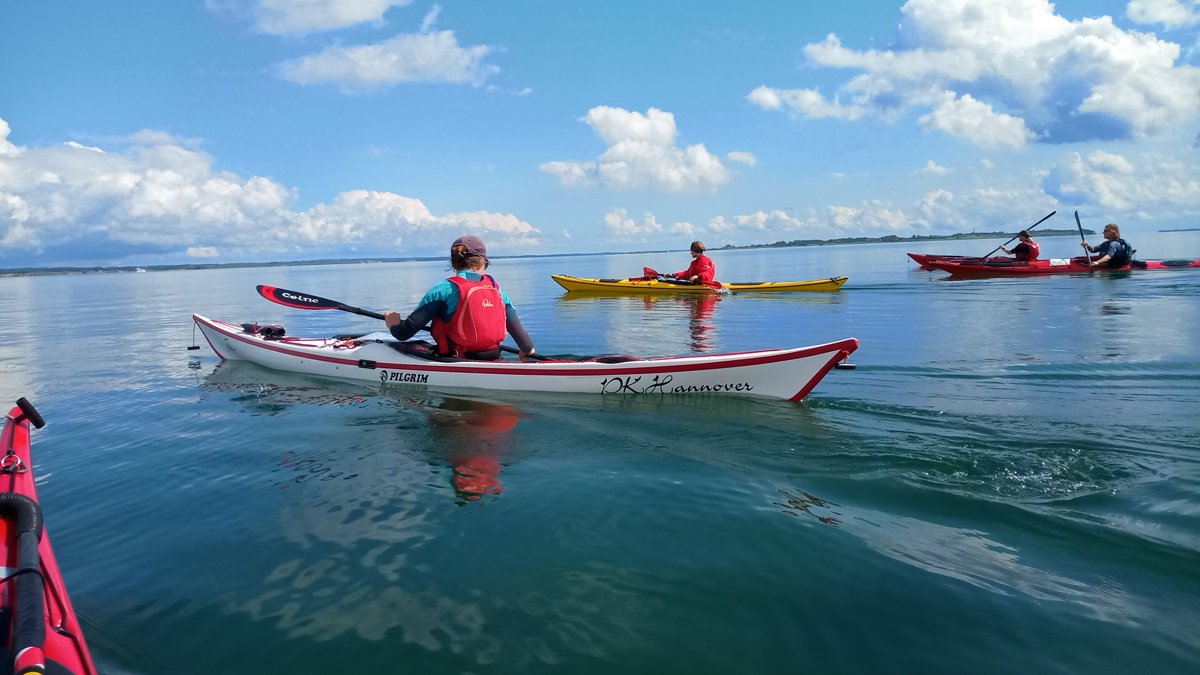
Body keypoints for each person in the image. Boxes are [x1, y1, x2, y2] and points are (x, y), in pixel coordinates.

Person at [385, 235, 537, 360]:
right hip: (494, 357)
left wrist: (393, 323)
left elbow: (403, 333)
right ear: (483, 262)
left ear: (454, 263)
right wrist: (527, 350)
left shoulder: (443, 289)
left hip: (456, 360)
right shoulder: (497, 290)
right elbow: (525, 343)